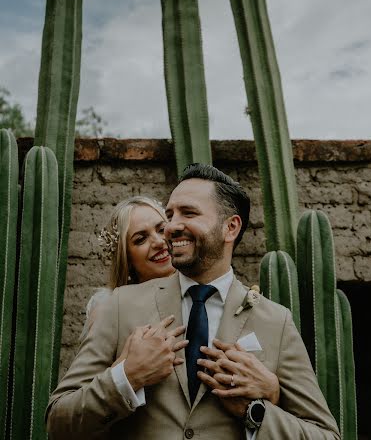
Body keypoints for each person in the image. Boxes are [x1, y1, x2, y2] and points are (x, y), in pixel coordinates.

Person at [46, 164, 340, 439]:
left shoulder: (276, 321)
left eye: (188, 213)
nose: (171, 227)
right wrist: (126, 377)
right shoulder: (121, 305)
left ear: (231, 228)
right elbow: (58, 422)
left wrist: (256, 412)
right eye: (170, 214)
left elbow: (326, 434)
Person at [81, 195, 175, 338]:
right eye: (141, 239)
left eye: (161, 229)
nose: (159, 242)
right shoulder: (108, 308)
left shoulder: (203, 291)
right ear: (126, 258)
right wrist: (129, 359)